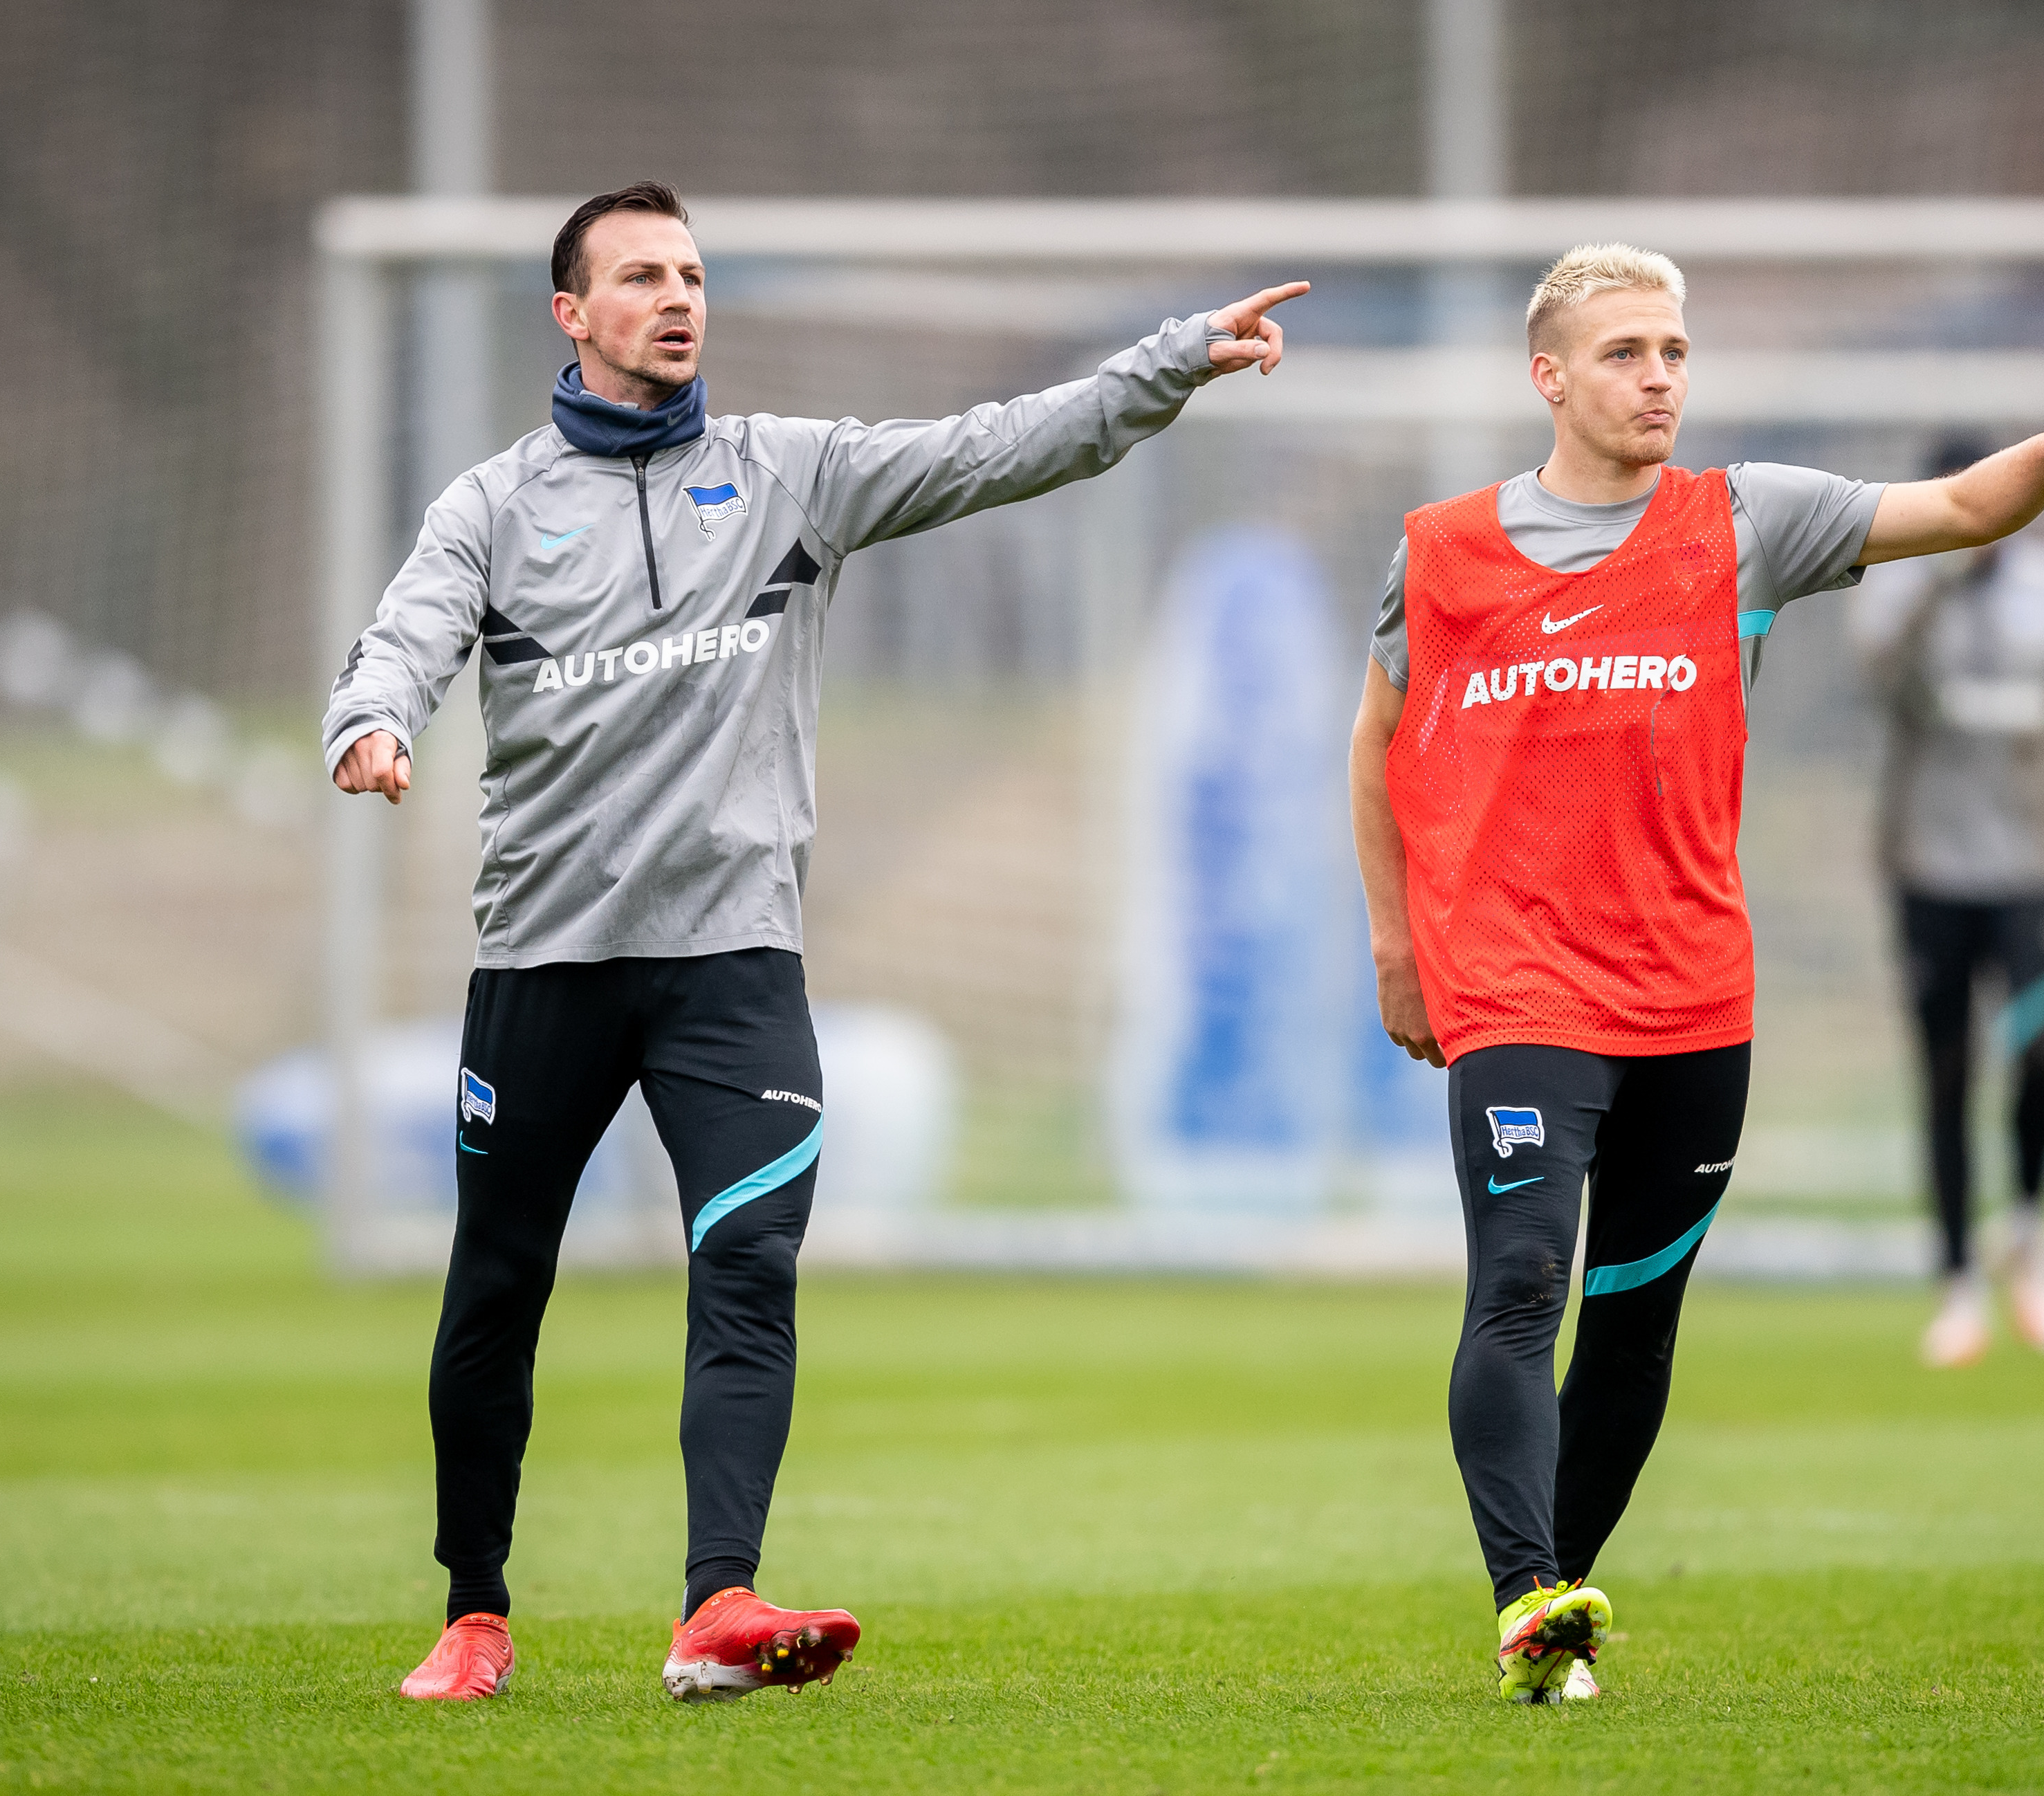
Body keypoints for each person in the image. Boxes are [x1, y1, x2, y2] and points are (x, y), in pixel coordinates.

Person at [324, 181, 1307, 1704]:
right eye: (642, 274)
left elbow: (998, 446)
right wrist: (374, 717)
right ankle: (474, 1608)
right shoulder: (495, 504)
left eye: (694, 273)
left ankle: (718, 1603)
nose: (678, 296)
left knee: (753, 1259)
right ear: (572, 316)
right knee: (499, 1283)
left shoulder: (790, 474)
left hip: (734, 965)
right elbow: (409, 631)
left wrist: (1169, 358)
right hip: (544, 966)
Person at [1347, 244, 2044, 1704]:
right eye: (1625, 352)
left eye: (1674, 349)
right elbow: (1377, 742)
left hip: (1692, 1001)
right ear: (1549, 375)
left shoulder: (1749, 520)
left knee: (1635, 1314)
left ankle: (1549, 1612)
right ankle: (1528, 1585)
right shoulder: (1445, 548)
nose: (1659, 374)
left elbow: (1963, 508)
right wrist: (1400, 942)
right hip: (1519, 993)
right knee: (1524, 1276)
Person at [1848, 441, 2044, 1370]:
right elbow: (1878, 685)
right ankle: (1954, 1282)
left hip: (2034, 871)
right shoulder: (1896, 594)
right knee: (1946, 1071)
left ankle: (2025, 1230)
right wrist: (1941, 577)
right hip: (1930, 871)